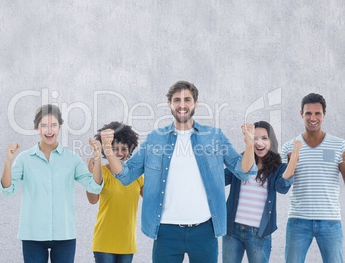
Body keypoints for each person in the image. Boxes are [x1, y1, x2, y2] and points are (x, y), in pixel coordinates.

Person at [100, 80, 257, 263]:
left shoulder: (214, 136)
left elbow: (243, 170)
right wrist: (107, 149)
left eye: (187, 100)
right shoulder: (154, 139)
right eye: (177, 100)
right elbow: (126, 175)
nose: (182, 105)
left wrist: (250, 145)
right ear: (169, 104)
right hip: (166, 231)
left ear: (196, 103)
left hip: (205, 230)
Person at [0, 104, 103, 263]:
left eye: (54, 125)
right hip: (32, 234)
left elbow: (94, 186)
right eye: (44, 126)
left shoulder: (72, 159)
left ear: (60, 127)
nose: (49, 130)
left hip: (64, 235)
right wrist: (8, 161)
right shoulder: (24, 159)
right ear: (36, 128)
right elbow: (7, 190)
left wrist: (97, 159)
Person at [223, 121, 302, 263]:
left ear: (271, 141)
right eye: (255, 138)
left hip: (259, 232)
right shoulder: (240, 163)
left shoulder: (278, 167)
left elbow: (282, 187)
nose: (259, 143)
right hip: (232, 230)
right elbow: (220, 179)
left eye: (264, 138)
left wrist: (294, 160)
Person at [281, 93, 345, 263]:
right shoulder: (289, 146)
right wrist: (293, 158)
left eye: (317, 113)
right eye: (308, 113)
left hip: (330, 220)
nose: (313, 117)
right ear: (301, 114)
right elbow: (283, 185)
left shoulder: (340, 145)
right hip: (298, 220)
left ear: (324, 114)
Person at [86, 122, 144, 263]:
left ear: (130, 149)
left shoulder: (137, 175)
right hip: (104, 242)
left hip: (127, 244)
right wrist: (93, 170)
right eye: (114, 149)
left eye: (123, 149)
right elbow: (93, 200)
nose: (119, 153)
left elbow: (151, 199)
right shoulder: (102, 172)